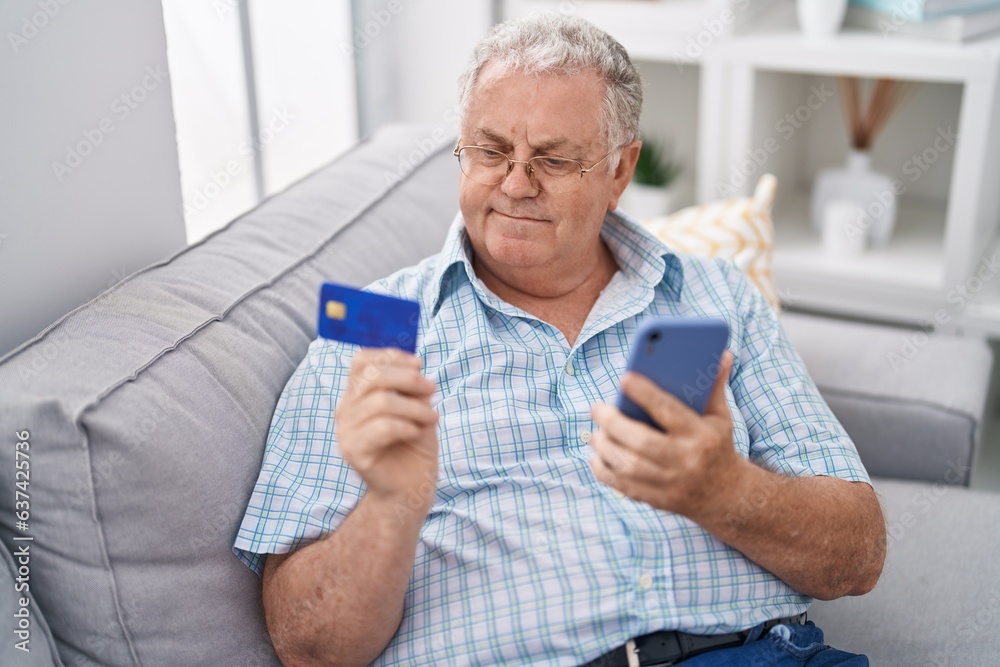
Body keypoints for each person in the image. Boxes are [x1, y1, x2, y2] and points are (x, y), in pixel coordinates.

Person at [234, 13, 885, 667]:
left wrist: (722, 490)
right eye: (490, 152)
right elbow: (306, 645)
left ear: (620, 171)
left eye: (553, 159)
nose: (516, 184)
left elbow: (857, 555)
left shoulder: (716, 296)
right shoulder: (369, 335)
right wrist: (392, 504)